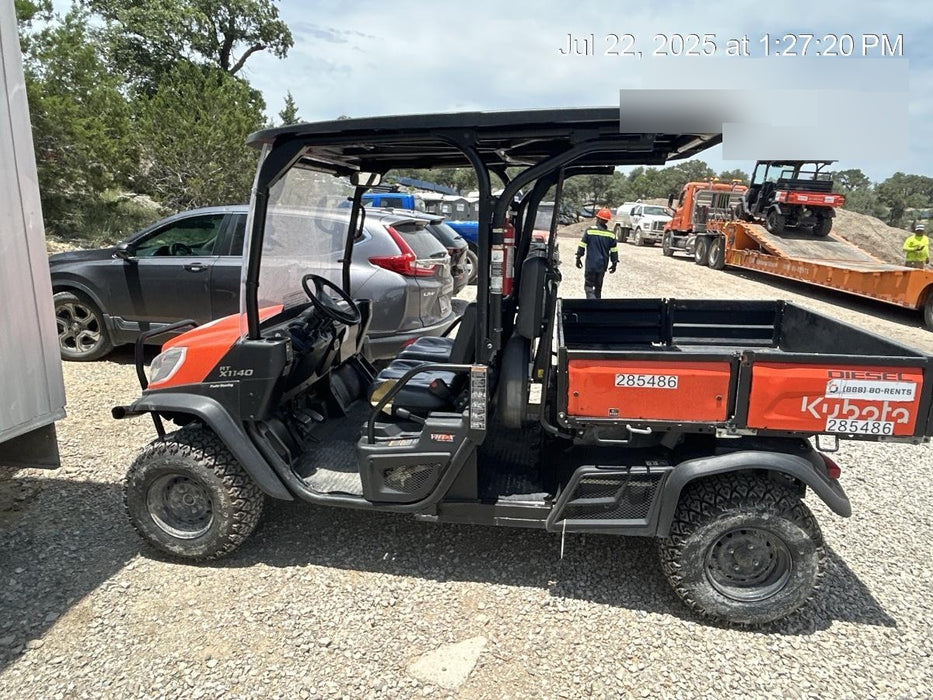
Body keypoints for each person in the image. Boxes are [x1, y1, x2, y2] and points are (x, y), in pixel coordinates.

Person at [575, 208, 618, 299]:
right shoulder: (611, 235)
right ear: (606, 221)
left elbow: (582, 245)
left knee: (589, 286)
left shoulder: (590, 231)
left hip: (591, 265)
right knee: (598, 289)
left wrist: (578, 258)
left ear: (598, 219)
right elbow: (614, 251)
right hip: (602, 266)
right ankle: (597, 307)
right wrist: (614, 264)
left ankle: (591, 305)